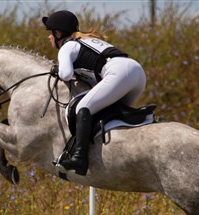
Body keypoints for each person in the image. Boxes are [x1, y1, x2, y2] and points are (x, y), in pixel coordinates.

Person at [42, 10, 147, 176]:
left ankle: (79, 159)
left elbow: (66, 74)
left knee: (83, 107)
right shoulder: (89, 41)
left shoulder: (68, 46)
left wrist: (57, 69)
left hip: (118, 72)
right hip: (137, 72)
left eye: (50, 33)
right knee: (110, 112)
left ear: (58, 33)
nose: (49, 37)